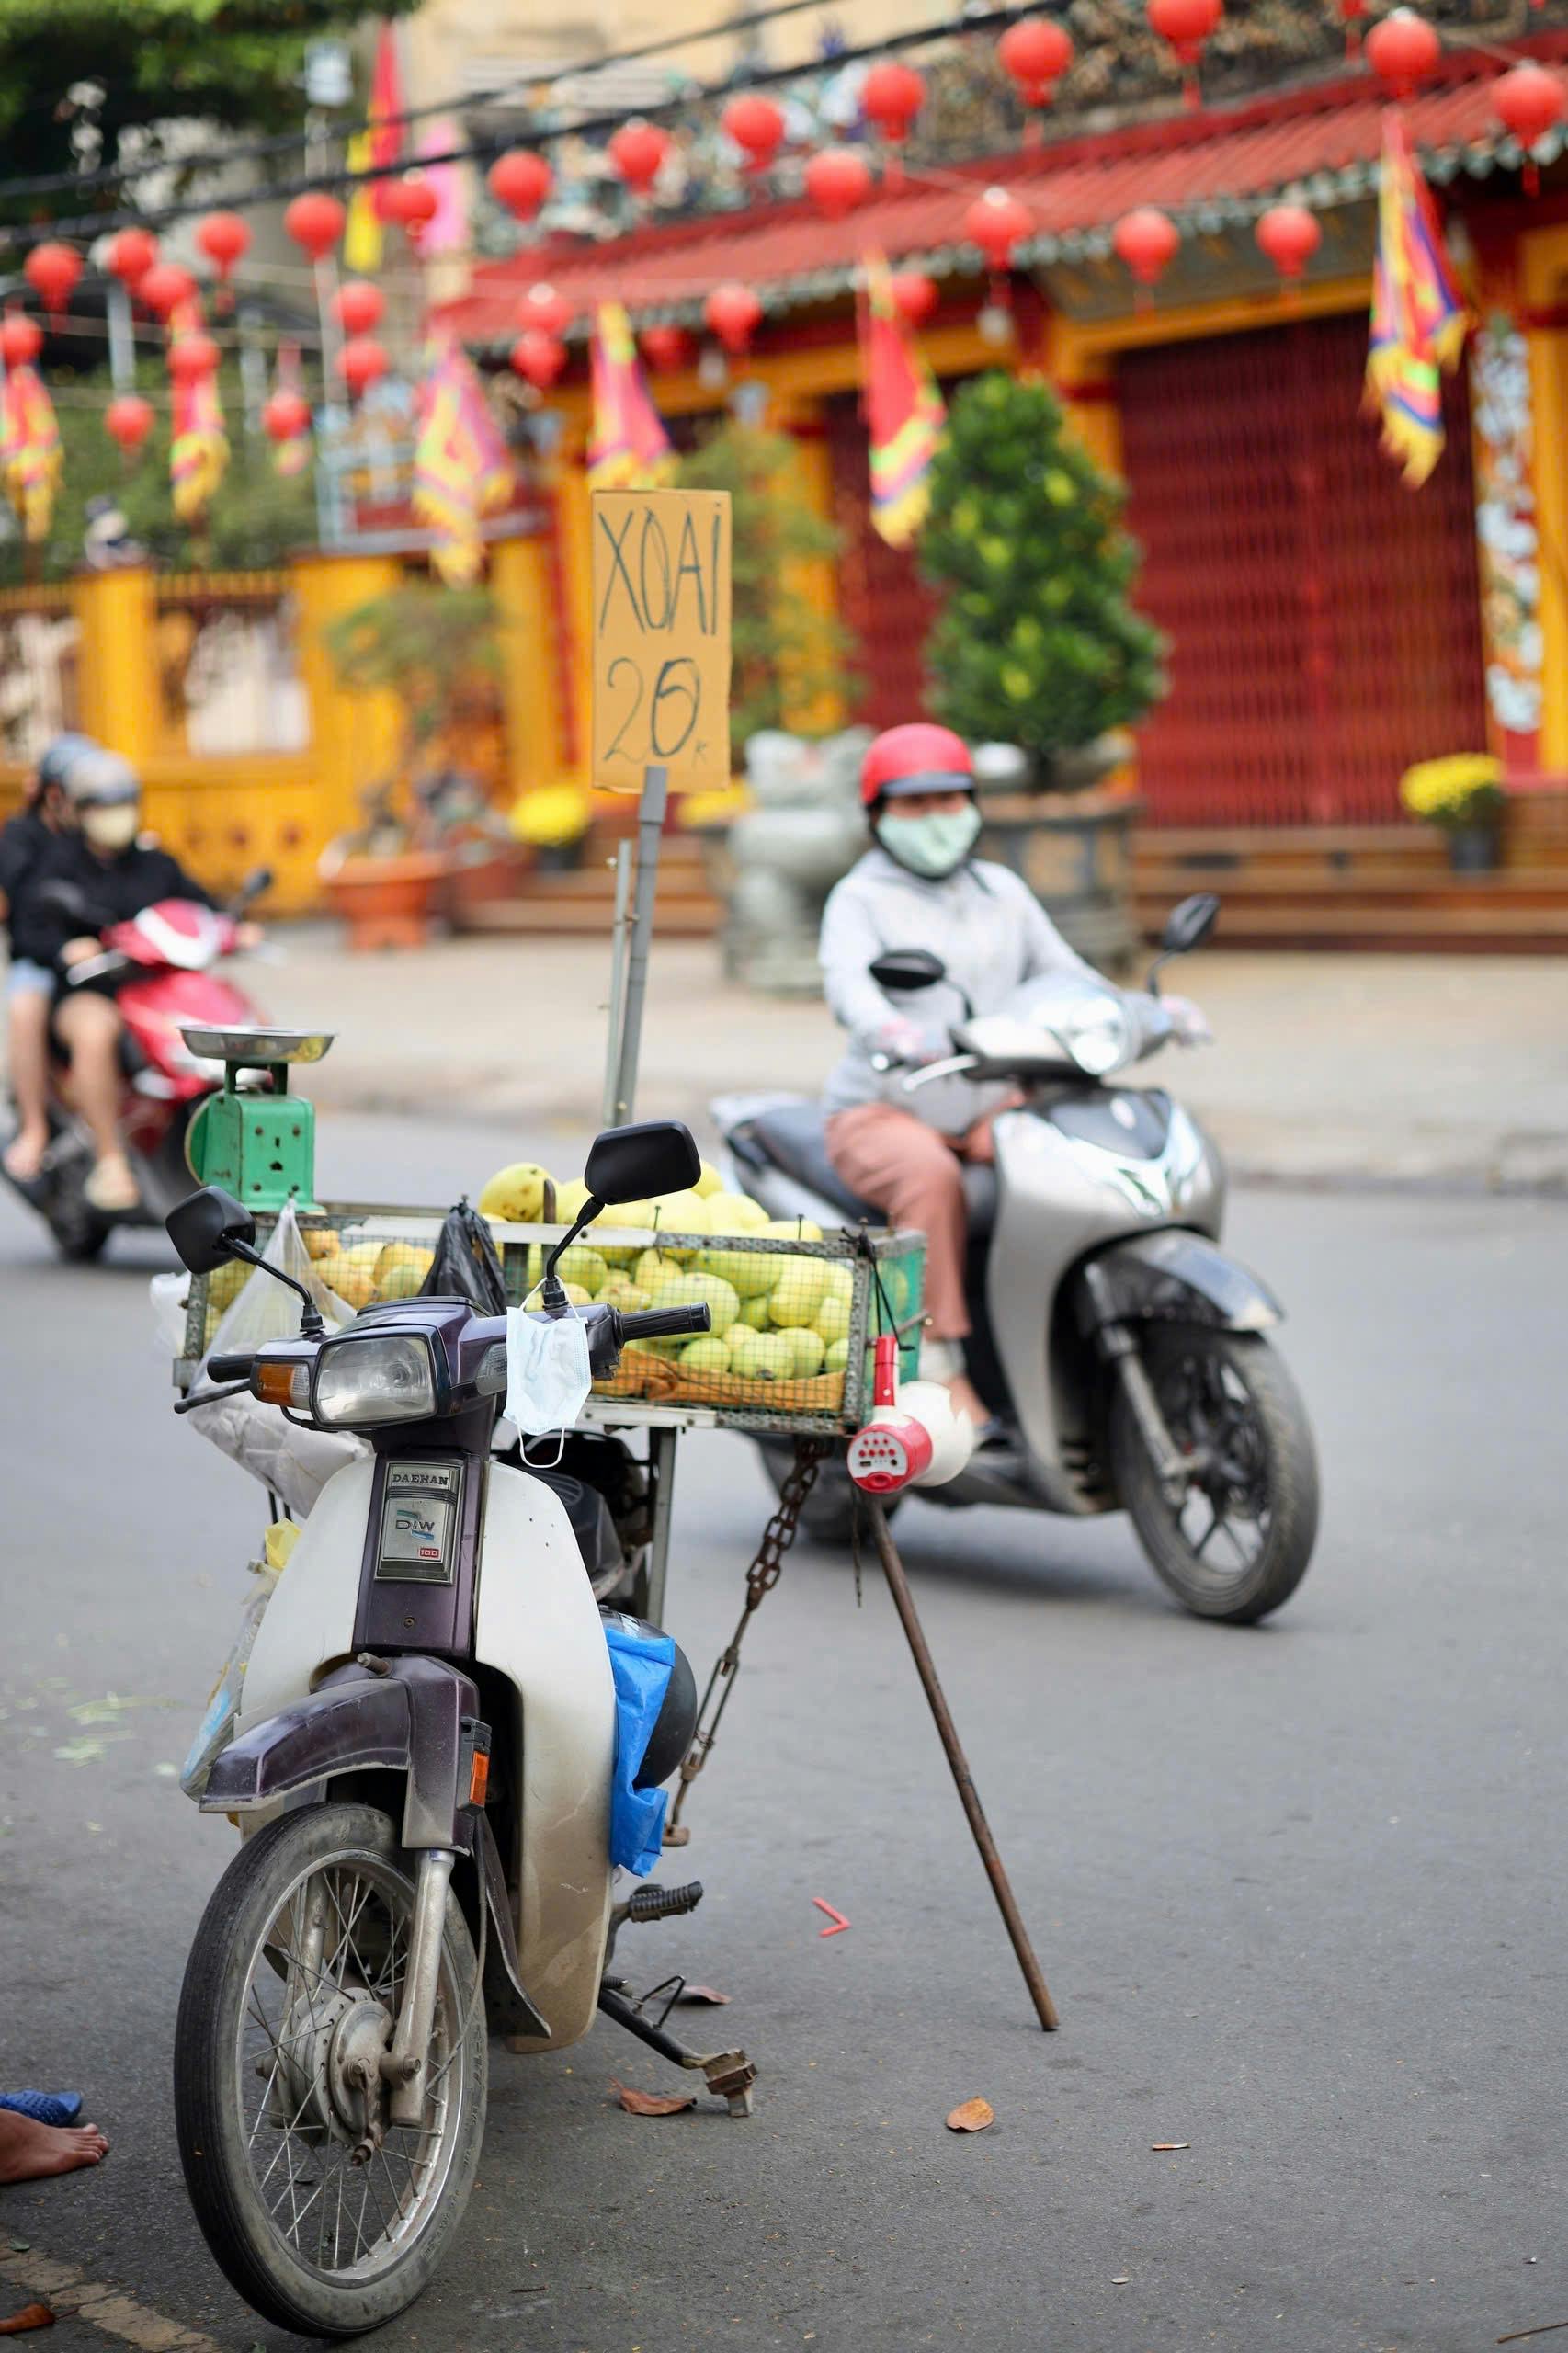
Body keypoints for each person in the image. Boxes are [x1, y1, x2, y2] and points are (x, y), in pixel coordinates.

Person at [819, 722, 1206, 1428]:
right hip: (886, 1108)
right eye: (914, 805)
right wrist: (897, 1031)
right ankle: (935, 1357)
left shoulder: (1000, 889)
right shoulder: (857, 901)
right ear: (876, 815)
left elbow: (1069, 977)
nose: (936, 819)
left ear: (973, 804)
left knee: (1067, 1174)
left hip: (995, 1101)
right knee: (931, 1179)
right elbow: (851, 989)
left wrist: (1148, 1012)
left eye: (949, 800)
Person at [12, 747, 242, 1214]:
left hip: (155, 989)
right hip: (91, 993)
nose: (116, 817)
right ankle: (110, 1160)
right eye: (103, 807)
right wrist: (65, 949)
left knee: (234, 1017)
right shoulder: (57, 865)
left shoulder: (156, 864)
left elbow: (200, 904)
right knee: (95, 1032)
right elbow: (27, 933)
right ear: (80, 812)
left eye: (123, 804)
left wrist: (233, 926)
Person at [1, 733, 98, 1188]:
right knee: (25, 1007)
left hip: (95, 958)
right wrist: (59, 948)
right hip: (41, 957)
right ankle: (35, 1127)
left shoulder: (95, 834)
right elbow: (24, 909)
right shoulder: (21, 836)